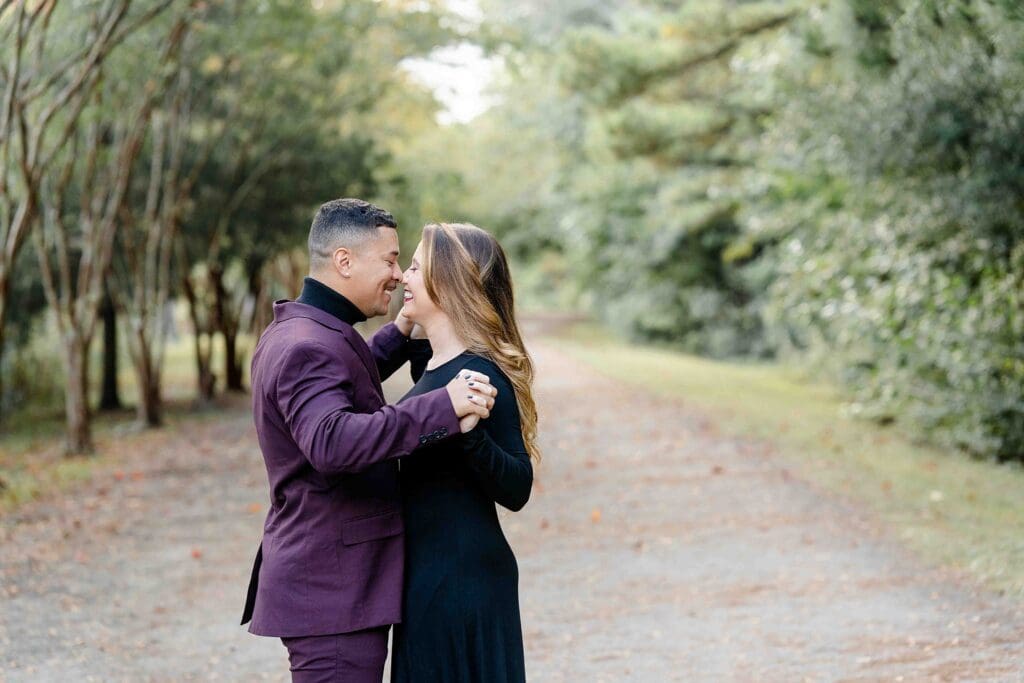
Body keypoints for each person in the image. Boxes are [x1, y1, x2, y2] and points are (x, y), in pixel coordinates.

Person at [240, 199, 499, 683]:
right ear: (344, 261)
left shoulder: (305, 330)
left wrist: (399, 333)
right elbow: (333, 440)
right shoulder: (308, 346)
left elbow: (341, 385)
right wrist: (443, 404)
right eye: (389, 260)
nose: (399, 275)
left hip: (330, 586)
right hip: (334, 592)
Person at [390, 222, 539, 683]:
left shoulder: (477, 374)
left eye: (415, 267)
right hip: (426, 581)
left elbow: (517, 486)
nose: (402, 278)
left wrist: (472, 436)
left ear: (448, 283)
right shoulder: (437, 368)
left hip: (463, 586)